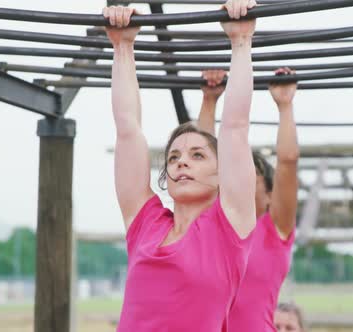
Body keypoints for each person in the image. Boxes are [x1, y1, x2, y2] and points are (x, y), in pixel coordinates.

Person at [103, 1, 257, 330]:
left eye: (198, 155)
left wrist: (241, 42)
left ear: (222, 175)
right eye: (174, 157)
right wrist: (123, 46)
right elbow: (127, 129)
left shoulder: (229, 228)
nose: (182, 160)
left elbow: (235, 127)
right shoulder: (146, 225)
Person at [197, 67, 299, 331]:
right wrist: (209, 101)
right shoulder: (217, 227)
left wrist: (285, 106)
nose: (238, 179)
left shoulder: (275, 231)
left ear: (269, 193)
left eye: (250, 174)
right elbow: (203, 162)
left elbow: (287, 162)